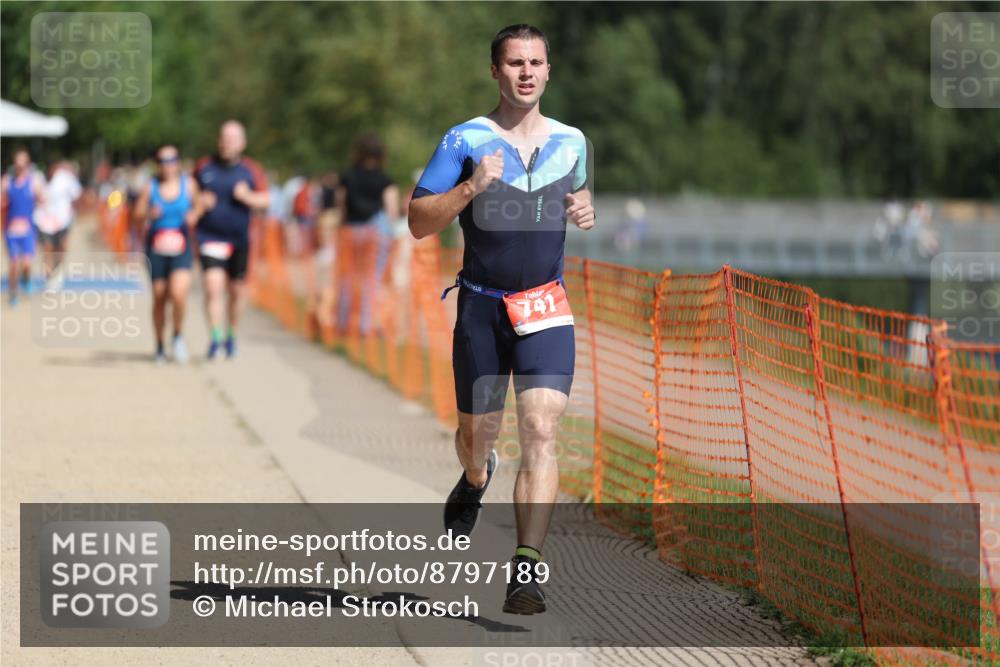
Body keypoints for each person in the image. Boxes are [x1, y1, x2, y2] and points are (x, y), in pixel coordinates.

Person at [408, 24, 595, 615]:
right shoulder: (464, 140)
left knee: (541, 431)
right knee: (476, 439)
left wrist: (586, 207)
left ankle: (526, 569)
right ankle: (474, 475)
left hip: (545, 306)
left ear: (549, 69)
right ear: (495, 70)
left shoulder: (572, 141)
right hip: (482, 309)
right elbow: (417, 220)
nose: (526, 73)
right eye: (515, 62)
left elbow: (574, 198)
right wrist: (470, 188)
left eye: (536, 62)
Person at [194, 120, 270, 360]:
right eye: (223, 138)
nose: (226, 143)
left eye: (231, 139)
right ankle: (215, 338)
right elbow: (187, 193)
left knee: (237, 292)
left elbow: (266, 201)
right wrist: (200, 202)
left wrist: (247, 196)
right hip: (210, 237)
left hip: (239, 239)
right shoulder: (204, 167)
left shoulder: (251, 170)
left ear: (242, 143)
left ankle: (231, 334)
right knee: (212, 287)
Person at [133, 145, 201, 363]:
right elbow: (136, 216)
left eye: (171, 160)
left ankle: (178, 336)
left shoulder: (189, 185)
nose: (167, 165)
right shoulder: (150, 187)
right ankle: (160, 345)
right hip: (156, 248)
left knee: (179, 293)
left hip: (181, 247)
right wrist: (148, 214)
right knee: (160, 296)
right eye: (162, 160)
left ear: (178, 162)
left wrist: (194, 215)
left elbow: (200, 205)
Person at [336, 134, 399, 336]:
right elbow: (391, 211)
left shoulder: (347, 176)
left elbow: (341, 206)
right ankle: (366, 326)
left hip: (351, 231)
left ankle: (343, 323)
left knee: (347, 277)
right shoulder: (385, 179)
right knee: (372, 280)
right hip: (375, 233)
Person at [2, 148, 46, 306]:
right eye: (17, 161)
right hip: (11, 229)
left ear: (27, 163)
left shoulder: (34, 182)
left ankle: (26, 280)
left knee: (26, 264)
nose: (20, 164)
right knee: (13, 264)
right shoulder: (7, 181)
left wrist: (40, 200)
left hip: (27, 229)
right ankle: (13, 294)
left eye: (23, 161)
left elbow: (43, 199)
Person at [36, 160, 83, 290]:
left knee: (61, 249)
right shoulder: (39, 179)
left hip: (63, 221)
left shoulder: (65, 179)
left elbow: (77, 195)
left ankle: (56, 272)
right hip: (45, 222)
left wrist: (74, 211)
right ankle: (49, 277)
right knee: (47, 249)